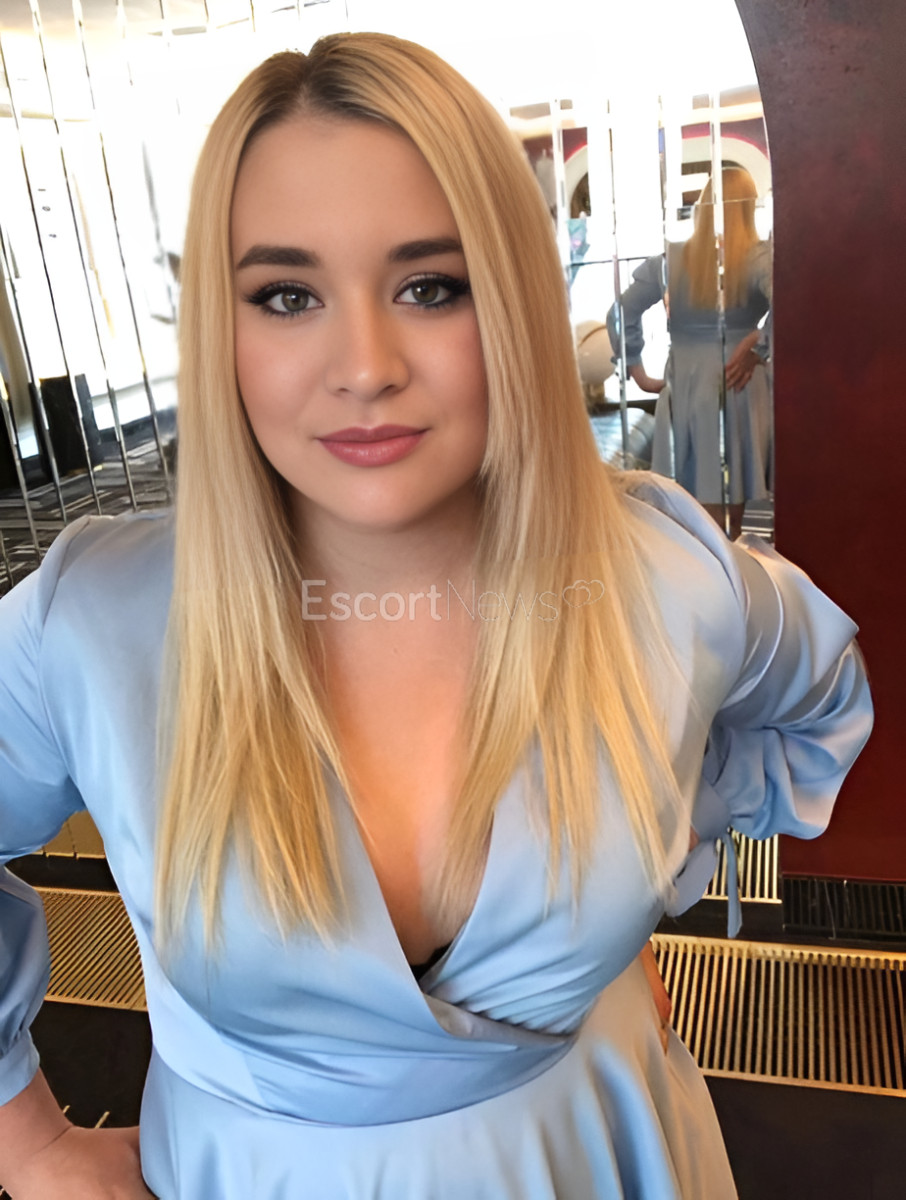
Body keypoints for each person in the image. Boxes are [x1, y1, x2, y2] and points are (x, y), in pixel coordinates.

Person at [0, 34, 871, 1199]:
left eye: (429, 286)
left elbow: (814, 695)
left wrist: (640, 857)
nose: (365, 366)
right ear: (223, 328)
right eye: (287, 295)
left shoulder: (661, 578)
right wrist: (29, 1142)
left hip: (601, 1148)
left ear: (510, 301)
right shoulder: (93, 625)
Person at [607, 167, 772, 539]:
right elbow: (795, 303)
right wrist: (758, 344)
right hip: (738, 383)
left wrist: (635, 369)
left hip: (685, 386)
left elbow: (620, 312)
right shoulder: (759, 258)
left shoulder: (672, 260)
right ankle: (728, 564)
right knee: (730, 509)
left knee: (687, 504)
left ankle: (699, 565)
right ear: (749, 207)